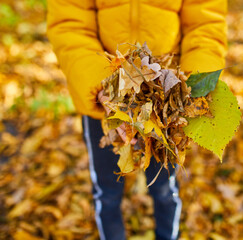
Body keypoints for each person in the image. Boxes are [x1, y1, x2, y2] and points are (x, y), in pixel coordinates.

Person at [47, 1, 227, 239]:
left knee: (165, 188)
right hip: (105, 99)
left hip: (166, 100)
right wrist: (105, 89)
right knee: (107, 192)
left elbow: (205, 23)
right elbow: (70, 25)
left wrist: (190, 88)